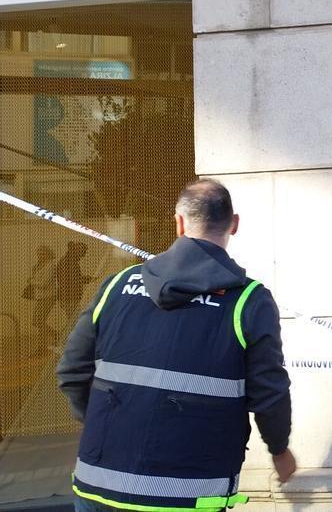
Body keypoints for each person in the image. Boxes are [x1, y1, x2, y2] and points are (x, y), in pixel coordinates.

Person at [57, 179, 295, 511]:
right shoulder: (248, 302)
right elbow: (269, 393)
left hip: (100, 484)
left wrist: (109, 421)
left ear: (179, 222)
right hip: (187, 492)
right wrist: (279, 449)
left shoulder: (118, 286)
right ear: (234, 224)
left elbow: (71, 372)